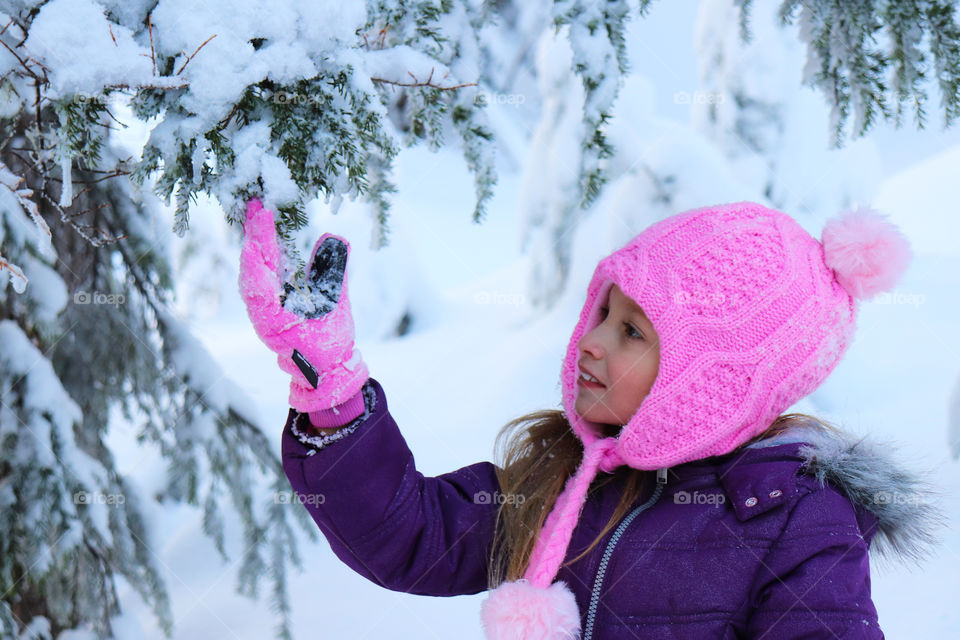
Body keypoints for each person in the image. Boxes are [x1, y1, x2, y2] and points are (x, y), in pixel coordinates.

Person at [239, 199, 943, 639]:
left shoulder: (794, 523)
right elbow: (411, 535)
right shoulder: (571, 479)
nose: (593, 341)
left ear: (716, 383)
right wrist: (333, 393)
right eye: (604, 311)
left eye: (634, 332)